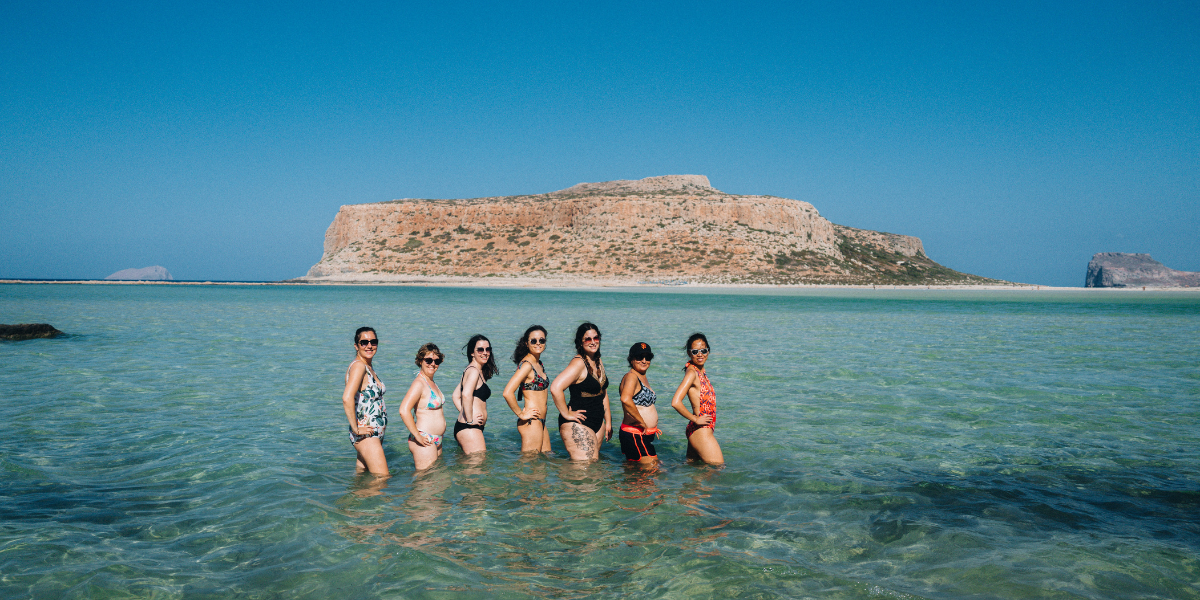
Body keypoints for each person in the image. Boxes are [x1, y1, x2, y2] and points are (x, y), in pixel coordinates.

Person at [550, 322, 612, 461]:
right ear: (580, 342)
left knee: (593, 470)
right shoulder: (578, 363)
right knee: (583, 472)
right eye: (588, 339)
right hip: (578, 423)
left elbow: (603, 392)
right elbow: (555, 388)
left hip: (597, 422)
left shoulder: (597, 360)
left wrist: (608, 421)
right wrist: (566, 413)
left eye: (596, 338)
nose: (593, 342)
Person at [670, 333, 724, 465]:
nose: (700, 354)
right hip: (701, 431)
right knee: (718, 469)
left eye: (703, 350)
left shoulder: (700, 372)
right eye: (695, 352)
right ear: (689, 353)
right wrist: (695, 419)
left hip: (698, 430)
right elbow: (675, 402)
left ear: (708, 351)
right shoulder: (692, 373)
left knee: (694, 473)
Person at [342, 327, 388, 475]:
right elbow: (347, 397)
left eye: (373, 342)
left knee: (363, 480)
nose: (369, 346)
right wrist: (356, 429)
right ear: (356, 346)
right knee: (382, 480)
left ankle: (353, 498)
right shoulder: (359, 366)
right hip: (366, 435)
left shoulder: (367, 366)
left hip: (372, 434)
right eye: (364, 342)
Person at [501, 326, 553, 453]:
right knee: (529, 466)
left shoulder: (538, 363)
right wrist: (521, 414)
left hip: (541, 421)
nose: (538, 343)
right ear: (526, 343)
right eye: (533, 341)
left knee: (545, 460)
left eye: (542, 340)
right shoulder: (527, 365)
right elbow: (507, 393)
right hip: (531, 421)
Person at [399, 343, 447, 471]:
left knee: (435, 482)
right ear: (420, 361)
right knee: (424, 484)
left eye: (437, 361)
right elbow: (404, 410)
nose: (433, 364)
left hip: (436, 440)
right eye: (428, 360)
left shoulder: (431, 382)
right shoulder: (419, 383)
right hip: (424, 439)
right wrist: (418, 436)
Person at [451, 334, 496, 454]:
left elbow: (455, 395)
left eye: (488, 349)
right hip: (469, 428)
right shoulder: (474, 371)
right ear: (472, 353)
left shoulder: (471, 370)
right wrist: (470, 419)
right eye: (480, 349)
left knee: (469, 468)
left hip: (467, 427)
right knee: (478, 466)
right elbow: (465, 395)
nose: (485, 352)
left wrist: (464, 413)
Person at [617, 342, 660, 466]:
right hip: (635, 434)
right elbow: (625, 399)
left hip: (640, 435)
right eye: (640, 357)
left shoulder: (641, 376)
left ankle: (626, 485)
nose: (644, 360)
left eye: (648, 357)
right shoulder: (631, 377)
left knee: (636, 472)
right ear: (631, 359)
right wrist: (642, 422)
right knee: (653, 470)